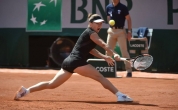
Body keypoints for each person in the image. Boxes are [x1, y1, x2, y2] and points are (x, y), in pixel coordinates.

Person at [14, 13, 133, 102]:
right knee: (99, 76)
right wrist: (114, 53)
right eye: (97, 23)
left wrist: (105, 57)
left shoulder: (88, 34)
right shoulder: (91, 33)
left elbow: (92, 50)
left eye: (101, 23)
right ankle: (120, 95)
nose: (99, 25)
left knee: (52, 84)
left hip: (68, 62)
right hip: (77, 62)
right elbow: (103, 44)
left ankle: (26, 91)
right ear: (91, 23)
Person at [106, 0, 133, 77]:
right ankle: (108, 69)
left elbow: (129, 19)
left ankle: (129, 71)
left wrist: (129, 32)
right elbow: (108, 17)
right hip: (111, 31)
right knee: (108, 51)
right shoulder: (108, 7)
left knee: (124, 52)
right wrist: (110, 21)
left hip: (121, 31)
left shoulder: (123, 7)